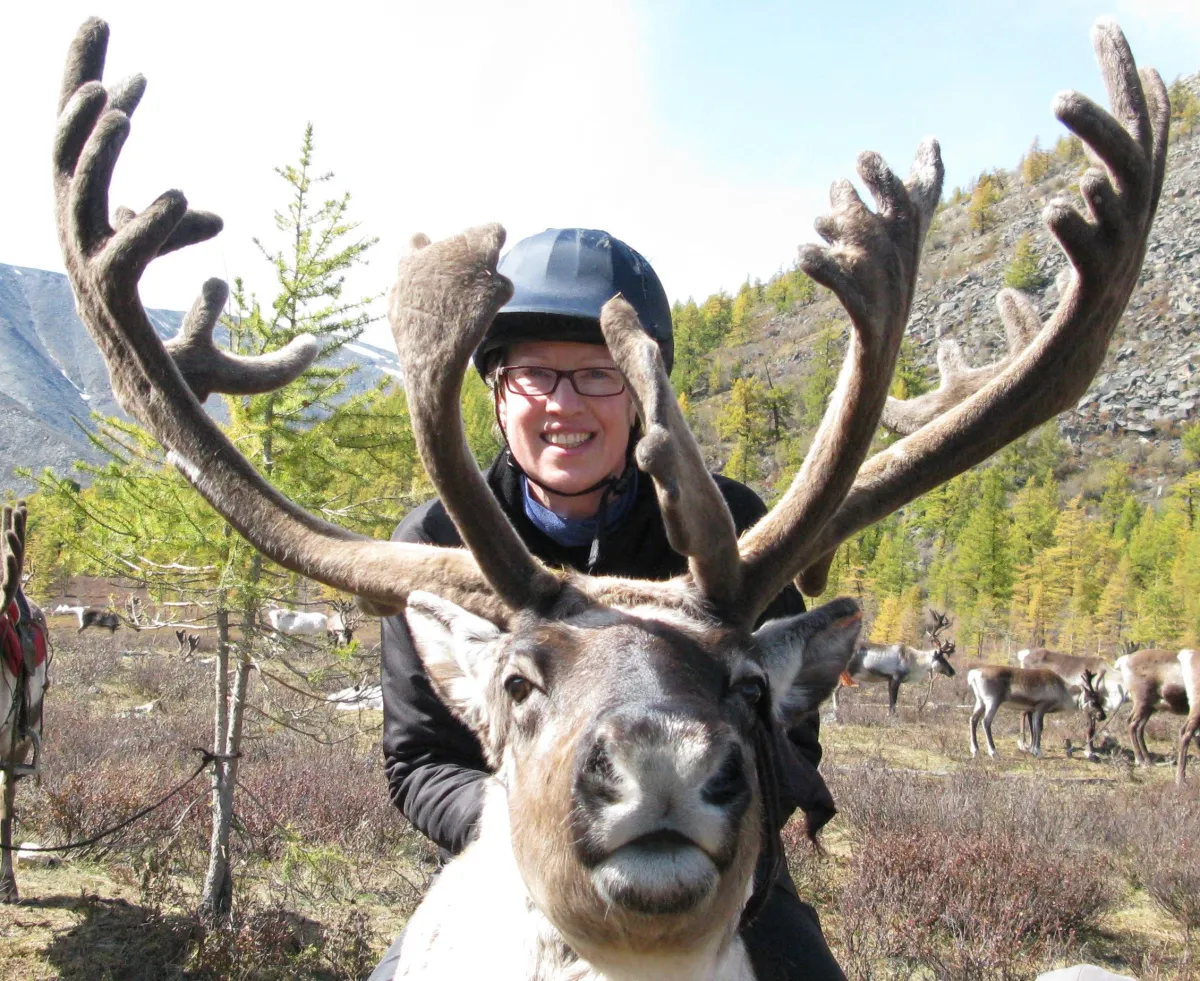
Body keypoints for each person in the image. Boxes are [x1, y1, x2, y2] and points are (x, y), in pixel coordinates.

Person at [370, 228, 845, 981]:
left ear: (640, 397)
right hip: (514, 866)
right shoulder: (432, 544)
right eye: (533, 375)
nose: (564, 404)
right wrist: (533, 818)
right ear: (496, 393)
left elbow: (790, 740)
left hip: (716, 866)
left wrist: (712, 830)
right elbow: (420, 761)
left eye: (598, 374)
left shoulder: (735, 532)